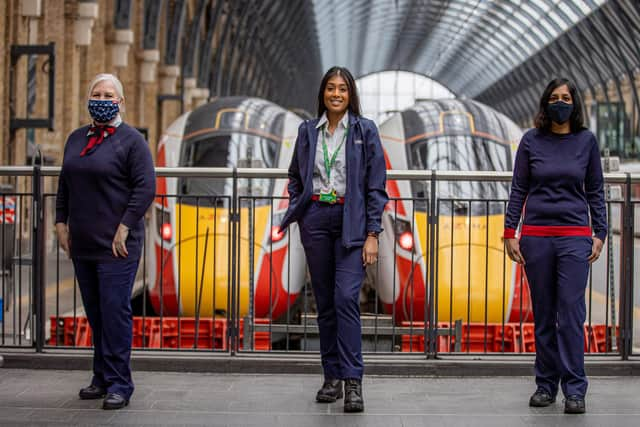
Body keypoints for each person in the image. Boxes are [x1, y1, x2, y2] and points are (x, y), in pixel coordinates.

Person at [280, 66, 388, 413]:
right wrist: (301, 204)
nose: (336, 94)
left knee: (345, 298)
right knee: (325, 303)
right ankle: (332, 378)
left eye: (342, 88)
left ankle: (354, 381)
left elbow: (376, 186)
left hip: (351, 222)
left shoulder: (364, 130)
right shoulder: (307, 131)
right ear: (323, 94)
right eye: (331, 88)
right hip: (316, 220)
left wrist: (373, 234)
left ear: (350, 94)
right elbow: (295, 174)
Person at [504, 78, 606, 414]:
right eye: (553, 97)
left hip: (575, 237)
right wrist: (509, 232)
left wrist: (600, 232)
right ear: (545, 103)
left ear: (574, 103)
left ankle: (575, 388)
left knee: (572, 315)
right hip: (536, 237)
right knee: (545, 316)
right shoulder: (531, 141)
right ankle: (545, 385)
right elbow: (519, 188)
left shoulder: (586, 142)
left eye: (565, 97)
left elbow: (595, 190)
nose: (559, 102)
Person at [55, 73, 156, 410]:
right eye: (96, 93)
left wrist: (126, 226)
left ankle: (120, 384)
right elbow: (65, 184)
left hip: (117, 245)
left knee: (115, 312)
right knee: (96, 314)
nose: (102, 98)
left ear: (120, 102)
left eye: (108, 94)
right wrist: (59, 222)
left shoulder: (132, 141)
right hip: (83, 242)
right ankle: (100, 377)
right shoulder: (75, 138)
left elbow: (145, 188)